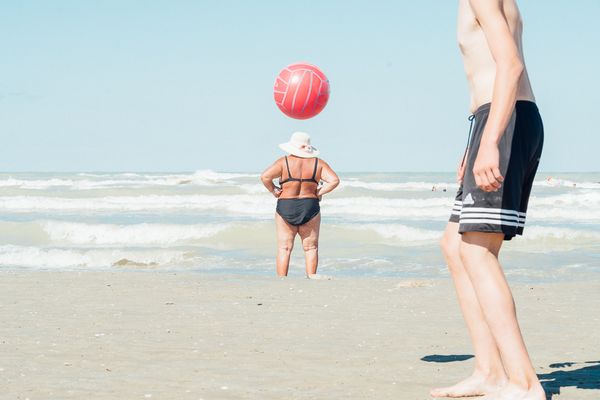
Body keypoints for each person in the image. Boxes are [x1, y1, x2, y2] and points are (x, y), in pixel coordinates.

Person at [432, 1, 545, 399]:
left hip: (506, 118)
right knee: (454, 245)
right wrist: (475, 143)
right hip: (494, 117)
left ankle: (524, 383)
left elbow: (509, 65)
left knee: (479, 252)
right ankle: (490, 371)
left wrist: (491, 141)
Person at [260, 132, 340, 277]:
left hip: (286, 205)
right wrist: (319, 192)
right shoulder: (318, 163)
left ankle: (282, 281)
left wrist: (273, 190)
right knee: (311, 248)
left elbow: (265, 176)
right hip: (310, 205)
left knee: (284, 248)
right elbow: (334, 180)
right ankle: (311, 278)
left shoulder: (283, 162)